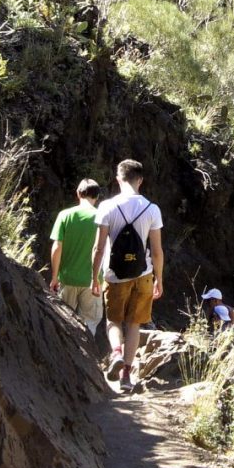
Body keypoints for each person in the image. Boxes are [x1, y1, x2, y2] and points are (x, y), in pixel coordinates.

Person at [94, 159, 165, 389]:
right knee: (134, 324)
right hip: (143, 274)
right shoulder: (152, 209)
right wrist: (159, 279)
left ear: (118, 179)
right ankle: (126, 376)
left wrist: (94, 276)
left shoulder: (106, 206)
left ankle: (116, 353)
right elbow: (156, 251)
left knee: (114, 320)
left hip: (115, 275)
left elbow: (99, 247)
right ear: (140, 180)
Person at [47, 178, 104, 340]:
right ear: (97, 197)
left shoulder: (65, 215)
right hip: (93, 281)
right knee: (90, 323)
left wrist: (54, 277)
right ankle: (88, 356)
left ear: (78, 193)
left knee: (64, 321)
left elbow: (57, 247)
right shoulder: (102, 217)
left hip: (67, 278)